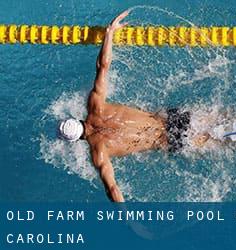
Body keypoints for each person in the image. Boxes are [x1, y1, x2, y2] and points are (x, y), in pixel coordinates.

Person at [58, 11, 210, 202]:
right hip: (172, 118)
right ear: (76, 119)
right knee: (226, 118)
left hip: (171, 140)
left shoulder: (99, 152)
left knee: (228, 141)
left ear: (76, 140)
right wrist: (109, 33)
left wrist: (130, 222)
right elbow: (103, 66)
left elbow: (112, 189)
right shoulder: (95, 105)